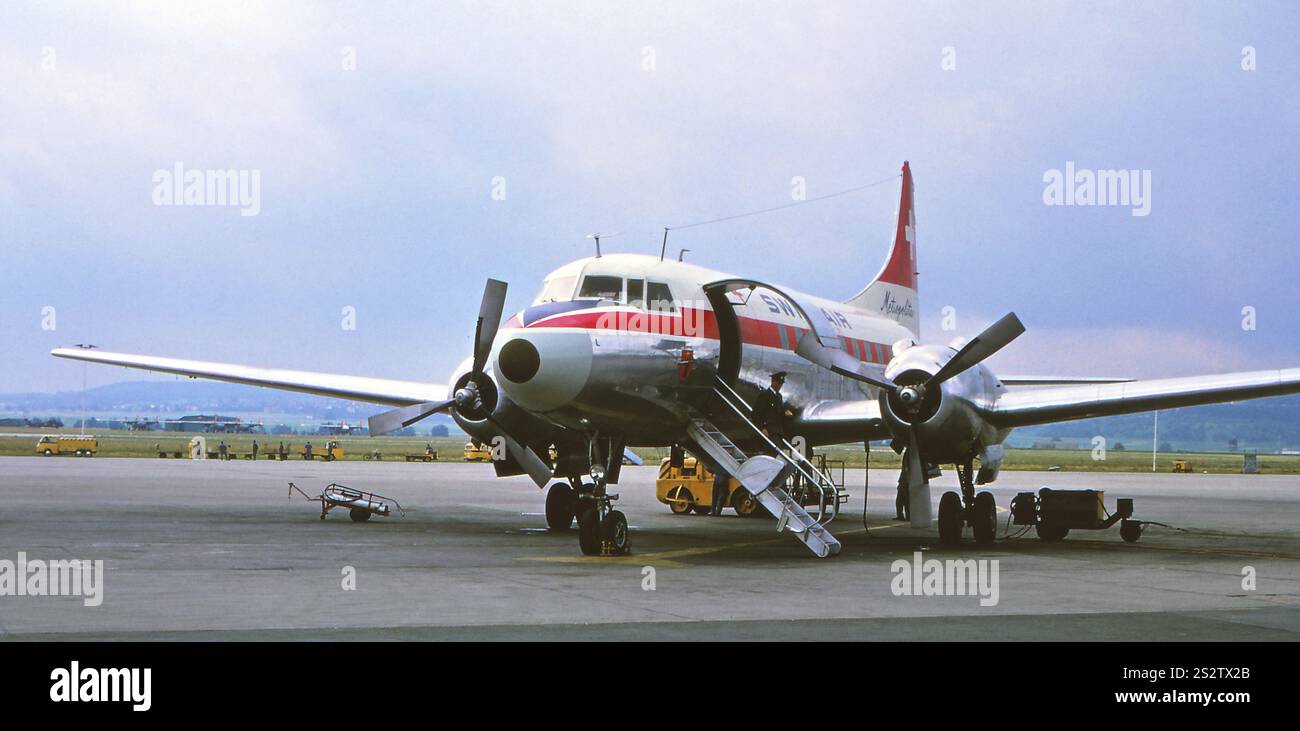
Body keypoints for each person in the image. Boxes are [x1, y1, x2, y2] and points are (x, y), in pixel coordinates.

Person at [753, 371, 794, 447]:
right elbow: (756, 414)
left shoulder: (779, 396)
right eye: (778, 383)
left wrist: (785, 412)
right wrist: (762, 428)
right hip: (768, 430)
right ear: (773, 382)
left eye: (781, 384)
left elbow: (778, 412)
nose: (780, 386)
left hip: (777, 432)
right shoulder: (764, 395)